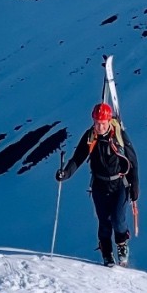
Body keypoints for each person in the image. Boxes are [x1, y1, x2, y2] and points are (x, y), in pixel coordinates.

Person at [56, 101, 139, 266]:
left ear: (108, 121)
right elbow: (78, 157)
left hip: (119, 184)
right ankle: (107, 253)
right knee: (104, 221)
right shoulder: (90, 137)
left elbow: (132, 160)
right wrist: (65, 174)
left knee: (118, 219)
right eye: (96, 123)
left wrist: (134, 187)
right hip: (99, 185)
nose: (99, 127)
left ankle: (122, 245)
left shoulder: (118, 135)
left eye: (102, 123)